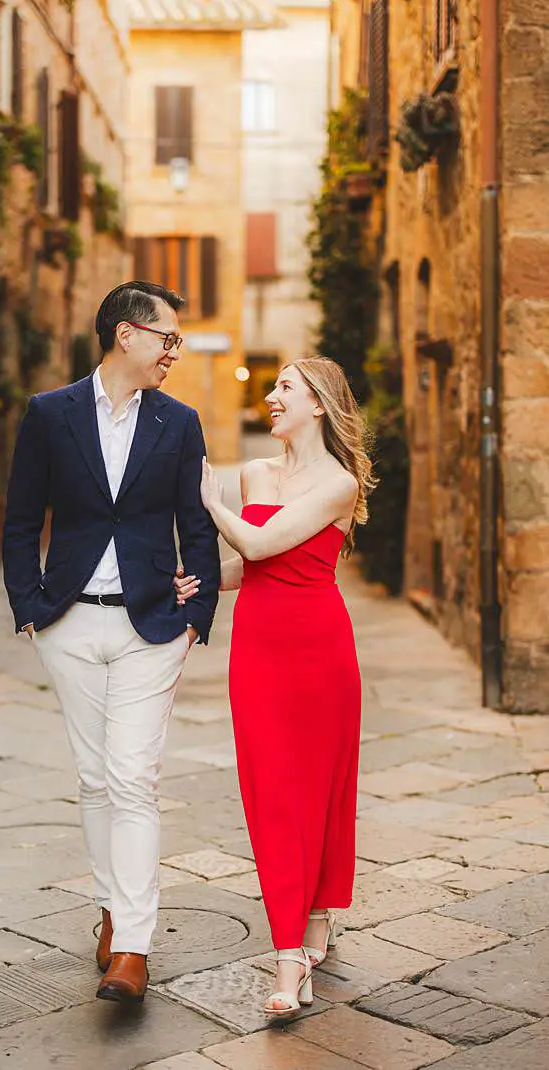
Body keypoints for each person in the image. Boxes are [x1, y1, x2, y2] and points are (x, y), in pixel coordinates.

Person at [1, 281, 221, 1004]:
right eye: (168, 339)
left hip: (151, 625)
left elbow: (196, 523)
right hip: (67, 621)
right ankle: (110, 905)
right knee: (95, 778)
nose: (173, 353)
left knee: (133, 776)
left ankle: (133, 945)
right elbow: (19, 517)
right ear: (127, 335)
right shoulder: (50, 414)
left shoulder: (180, 423)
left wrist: (198, 611)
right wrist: (29, 606)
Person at [183, 356, 370, 1019]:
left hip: (319, 651)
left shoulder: (340, 484)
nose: (270, 396)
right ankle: (291, 949)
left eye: (284, 387)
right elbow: (250, 565)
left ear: (318, 403)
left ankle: (312, 920)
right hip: (258, 652)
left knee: (320, 789)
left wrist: (208, 505)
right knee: (272, 793)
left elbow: (265, 544)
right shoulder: (256, 472)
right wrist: (204, 580)